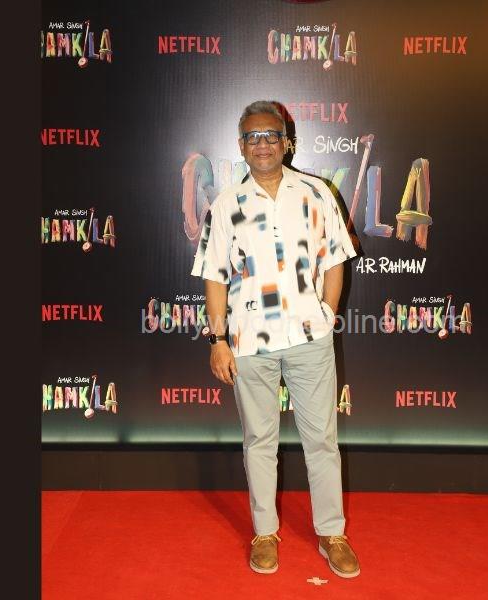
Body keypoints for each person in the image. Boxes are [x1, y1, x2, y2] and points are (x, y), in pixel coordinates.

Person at [190, 100, 360, 578]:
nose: (262, 143)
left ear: (287, 142)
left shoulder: (316, 193)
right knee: (259, 441)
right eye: (253, 137)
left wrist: (326, 315)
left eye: (271, 135)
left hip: (309, 338)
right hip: (249, 343)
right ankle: (265, 532)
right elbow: (215, 276)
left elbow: (335, 259)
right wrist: (217, 339)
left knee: (321, 440)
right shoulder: (226, 205)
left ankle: (332, 533)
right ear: (241, 145)